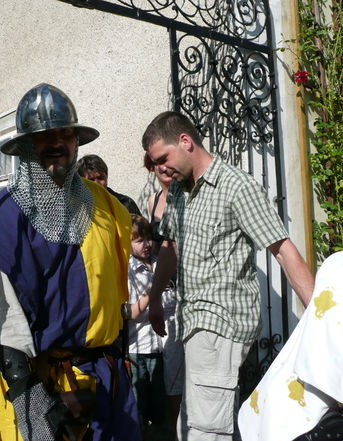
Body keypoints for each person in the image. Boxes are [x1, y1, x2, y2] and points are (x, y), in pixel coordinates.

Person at [0, 83, 140, 441]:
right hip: (44, 387)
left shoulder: (106, 205)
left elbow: (130, 264)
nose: (57, 143)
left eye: (66, 134)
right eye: (45, 136)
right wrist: (31, 405)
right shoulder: (3, 218)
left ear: (77, 143)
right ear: (27, 147)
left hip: (108, 379)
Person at [141, 111, 315, 441]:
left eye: (162, 159)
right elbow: (170, 248)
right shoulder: (180, 192)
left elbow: (283, 249)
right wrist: (154, 300)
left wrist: (319, 314)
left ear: (185, 141)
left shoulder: (236, 187)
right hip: (192, 322)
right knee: (195, 423)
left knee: (206, 430)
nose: (160, 169)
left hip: (220, 321)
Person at [143, 153, 183, 441]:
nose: (163, 169)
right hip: (165, 290)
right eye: (157, 165)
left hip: (188, 286)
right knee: (169, 365)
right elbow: (157, 248)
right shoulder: (153, 201)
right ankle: (172, 428)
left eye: (166, 164)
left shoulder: (187, 196)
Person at [126, 214, 165, 437]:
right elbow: (129, 312)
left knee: (159, 409)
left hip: (161, 348)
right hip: (138, 349)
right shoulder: (129, 271)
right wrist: (151, 293)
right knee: (140, 408)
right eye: (139, 240)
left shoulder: (159, 264)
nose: (146, 245)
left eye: (148, 238)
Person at [77, 154, 142, 215]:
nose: (96, 183)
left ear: (106, 177)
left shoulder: (126, 204)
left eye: (100, 178)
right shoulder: (75, 207)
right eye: (91, 180)